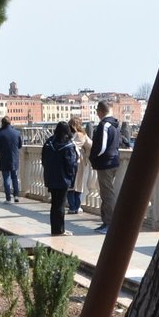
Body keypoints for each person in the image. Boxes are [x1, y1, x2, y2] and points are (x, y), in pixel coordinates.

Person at [88, 100, 122, 231]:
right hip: (114, 161)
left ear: (101, 111)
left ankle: (109, 223)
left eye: (97, 111)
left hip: (105, 163)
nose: (97, 114)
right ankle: (106, 221)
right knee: (106, 192)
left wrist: (93, 157)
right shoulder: (115, 124)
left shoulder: (104, 125)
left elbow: (101, 147)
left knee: (107, 194)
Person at [41, 122, 80, 237]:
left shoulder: (48, 143)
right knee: (60, 204)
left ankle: (55, 228)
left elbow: (43, 159)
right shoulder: (68, 145)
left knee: (54, 204)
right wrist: (71, 177)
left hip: (50, 177)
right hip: (62, 179)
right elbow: (71, 164)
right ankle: (59, 230)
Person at [0, 117, 23, 203]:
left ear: (2, 123)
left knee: (6, 178)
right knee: (14, 177)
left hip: (4, 159)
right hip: (14, 158)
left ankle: (8, 198)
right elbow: (20, 146)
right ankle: (16, 195)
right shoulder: (17, 133)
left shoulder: (0, 134)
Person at [65, 117, 87, 214]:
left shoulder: (66, 136)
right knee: (78, 185)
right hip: (79, 161)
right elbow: (91, 145)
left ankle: (71, 207)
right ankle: (77, 207)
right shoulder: (82, 135)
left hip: (69, 161)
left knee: (70, 186)